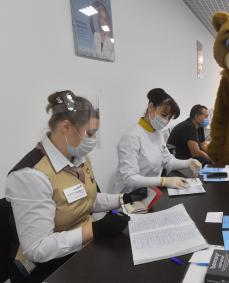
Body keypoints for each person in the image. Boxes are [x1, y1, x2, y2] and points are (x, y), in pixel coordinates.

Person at [4, 91, 147, 282]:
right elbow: (37, 248)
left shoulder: (79, 158)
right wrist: (93, 230)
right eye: (90, 133)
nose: (94, 140)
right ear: (66, 127)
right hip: (49, 268)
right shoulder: (30, 175)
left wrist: (124, 198)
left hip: (83, 251)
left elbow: (89, 200)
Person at [113, 88, 202, 193]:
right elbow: (130, 180)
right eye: (163, 115)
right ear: (151, 107)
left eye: (169, 118)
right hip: (129, 197)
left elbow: (168, 161)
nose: (165, 121)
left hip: (150, 193)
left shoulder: (157, 133)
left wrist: (188, 163)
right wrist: (163, 181)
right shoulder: (131, 137)